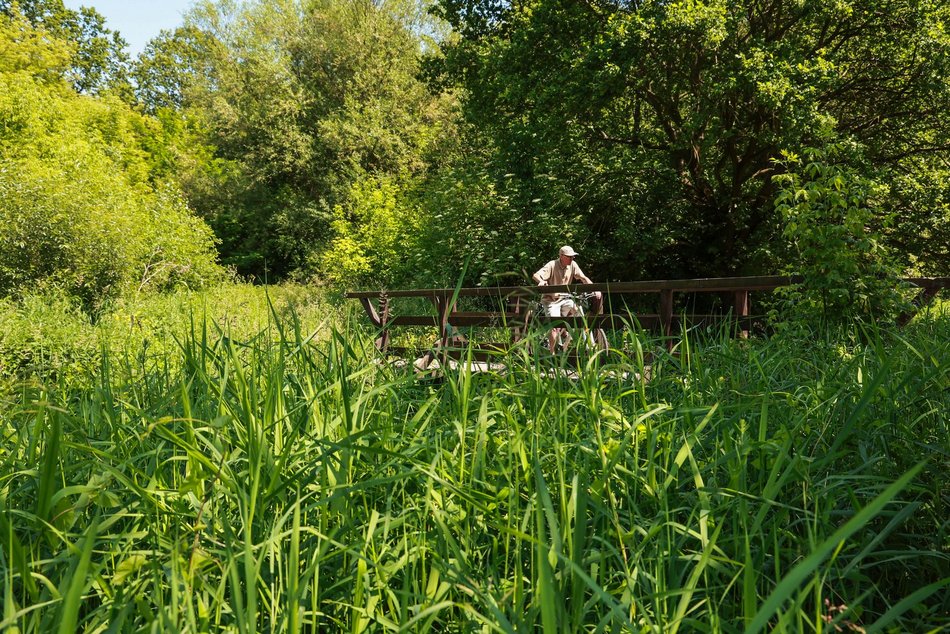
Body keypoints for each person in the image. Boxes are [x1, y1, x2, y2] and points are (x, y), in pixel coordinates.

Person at [532, 246, 602, 353]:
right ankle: (552, 355)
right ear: (561, 256)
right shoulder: (552, 265)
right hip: (551, 301)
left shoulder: (573, 265)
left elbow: (583, 278)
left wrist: (594, 289)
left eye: (573, 257)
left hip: (565, 299)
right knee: (554, 326)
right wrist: (541, 281)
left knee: (580, 315)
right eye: (569, 257)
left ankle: (590, 345)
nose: (571, 259)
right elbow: (536, 275)